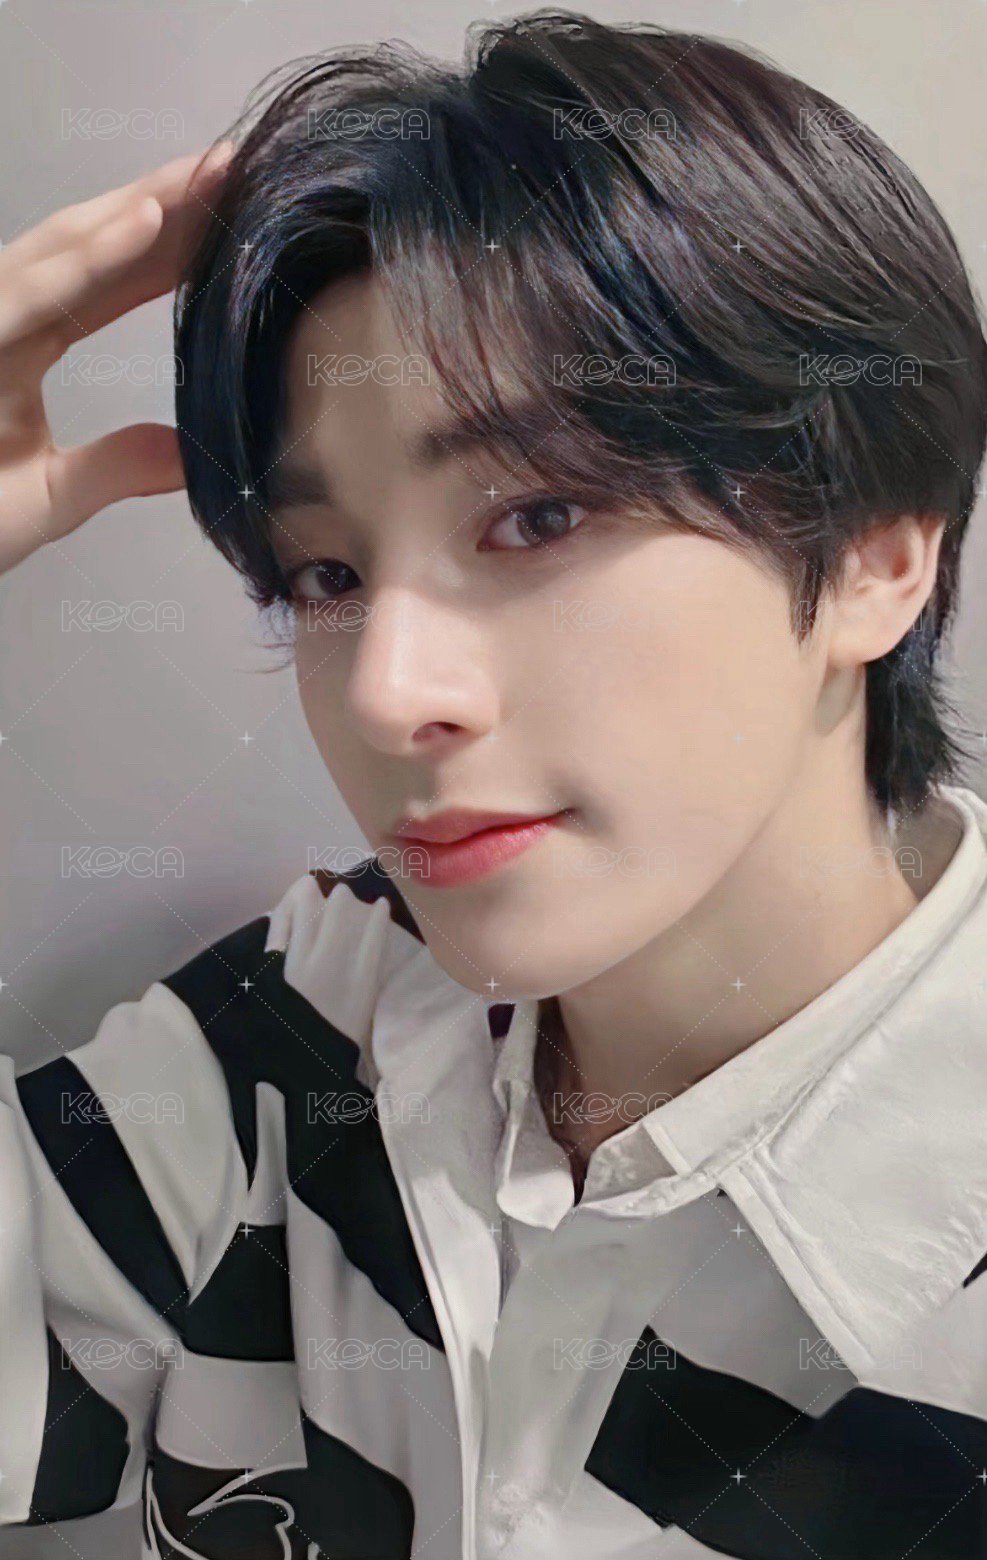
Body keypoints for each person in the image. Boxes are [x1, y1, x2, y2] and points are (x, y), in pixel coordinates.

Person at [2, 11, 986, 1558]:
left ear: (876, 552)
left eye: (537, 517)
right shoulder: (300, 1030)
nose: (388, 694)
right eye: (327, 573)